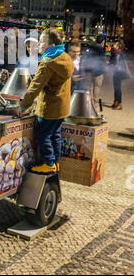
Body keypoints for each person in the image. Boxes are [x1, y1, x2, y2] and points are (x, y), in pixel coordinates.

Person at [13, 28, 74, 174]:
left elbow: (35, 86)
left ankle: (49, 162)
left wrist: (23, 106)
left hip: (50, 108)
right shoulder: (65, 57)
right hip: (62, 107)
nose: (39, 44)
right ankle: (55, 163)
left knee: (43, 134)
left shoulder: (48, 62)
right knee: (55, 135)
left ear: (51, 46)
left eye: (42, 42)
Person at [84, 35, 106, 108]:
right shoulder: (101, 49)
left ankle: (89, 101)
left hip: (89, 69)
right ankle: (94, 101)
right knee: (97, 86)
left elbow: (86, 57)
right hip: (98, 70)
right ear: (103, 41)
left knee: (89, 86)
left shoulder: (90, 47)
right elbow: (103, 61)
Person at [110, 40, 131, 110]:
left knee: (117, 88)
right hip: (117, 72)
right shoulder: (116, 52)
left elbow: (115, 63)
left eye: (115, 44)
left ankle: (119, 103)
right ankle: (116, 101)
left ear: (118, 46)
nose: (113, 45)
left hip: (119, 73)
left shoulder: (118, 53)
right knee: (116, 88)